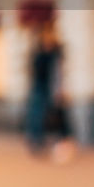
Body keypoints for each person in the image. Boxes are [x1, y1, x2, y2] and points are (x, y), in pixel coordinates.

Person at [25, 24, 64, 157]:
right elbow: (32, 71)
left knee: (54, 115)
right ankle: (36, 140)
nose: (48, 39)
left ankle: (54, 142)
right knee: (37, 115)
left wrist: (59, 90)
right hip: (39, 87)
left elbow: (59, 73)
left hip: (51, 88)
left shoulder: (56, 52)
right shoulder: (39, 54)